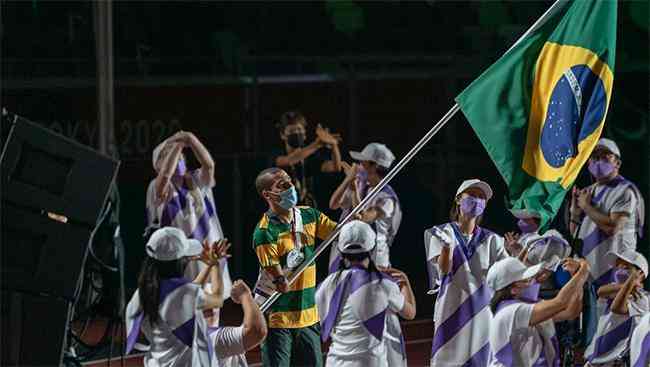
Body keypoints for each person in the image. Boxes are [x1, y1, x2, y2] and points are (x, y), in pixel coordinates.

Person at [125, 227, 267, 367]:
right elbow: (217, 300)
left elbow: (184, 296)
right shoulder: (185, 299)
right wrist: (244, 295)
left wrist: (211, 265)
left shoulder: (143, 294)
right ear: (179, 262)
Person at [251, 167, 337, 367]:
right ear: (267, 194)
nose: (290, 186)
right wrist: (281, 280)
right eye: (281, 185)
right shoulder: (264, 232)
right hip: (278, 319)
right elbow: (277, 278)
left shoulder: (309, 215)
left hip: (308, 315)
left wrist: (354, 204)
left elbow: (338, 232)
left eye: (289, 181)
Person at [145, 131, 233, 326]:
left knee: (212, 312)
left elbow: (209, 164)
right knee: (187, 312)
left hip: (207, 252)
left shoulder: (198, 180)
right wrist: (177, 144)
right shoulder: (157, 188)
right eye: (166, 155)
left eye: (179, 155)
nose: (177, 158)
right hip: (181, 259)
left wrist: (190, 139)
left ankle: (210, 352)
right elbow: (166, 174)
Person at [425, 179, 510, 366]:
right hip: (450, 311)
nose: (477, 200)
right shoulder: (440, 233)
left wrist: (518, 255)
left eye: (482, 198)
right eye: (472, 195)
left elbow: (506, 278)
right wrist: (447, 247)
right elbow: (444, 270)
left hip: (482, 313)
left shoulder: (493, 240)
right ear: (458, 199)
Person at [569, 138, 645, 344]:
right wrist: (575, 214)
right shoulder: (589, 191)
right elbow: (576, 232)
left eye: (605, 156)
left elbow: (613, 227)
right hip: (589, 273)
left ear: (617, 162)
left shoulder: (625, 190)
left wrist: (585, 207)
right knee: (589, 336)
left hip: (615, 272)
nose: (598, 161)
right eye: (594, 157)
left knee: (610, 335)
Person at [316, 220, 416, 367]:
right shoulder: (383, 283)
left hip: (336, 362)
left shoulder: (326, 285)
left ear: (342, 253)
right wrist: (405, 282)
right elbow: (410, 313)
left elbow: (323, 321)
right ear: (372, 250)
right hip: (370, 361)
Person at [486, 257, 589, 367]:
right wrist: (583, 270)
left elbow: (571, 312)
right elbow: (560, 302)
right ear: (513, 289)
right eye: (526, 280)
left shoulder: (525, 306)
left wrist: (576, 277)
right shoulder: (511, 311)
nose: (532, 282)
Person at [328, 142, 401, 271]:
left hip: (373, 258)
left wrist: (354, 188)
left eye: (363, 162)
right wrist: (348, 180)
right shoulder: (360, 185)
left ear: (375, 166)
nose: (359, 166)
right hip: (347, 252)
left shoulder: (386, 198)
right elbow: (333, 204)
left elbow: (362, 217)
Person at [585, 249, 649, 365]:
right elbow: (600, 291)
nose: (619, 269)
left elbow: (617, 308)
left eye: (626, 267)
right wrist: (627, 285)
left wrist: (631, 282)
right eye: (618, 266)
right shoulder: (616, 288)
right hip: (595, 356)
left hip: (615, 360)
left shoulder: (642, 298)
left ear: (640, 274)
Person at [271, 110, 342, 208]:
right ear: (283, 135)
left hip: (307, 213)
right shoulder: (276, 154)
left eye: (299, 130)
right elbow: (289, 160)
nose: (296, 133)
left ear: (304, 134)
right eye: (292, 131)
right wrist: (317, 144)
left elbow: (335, 167)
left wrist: (333, 145)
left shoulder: (310, 157)